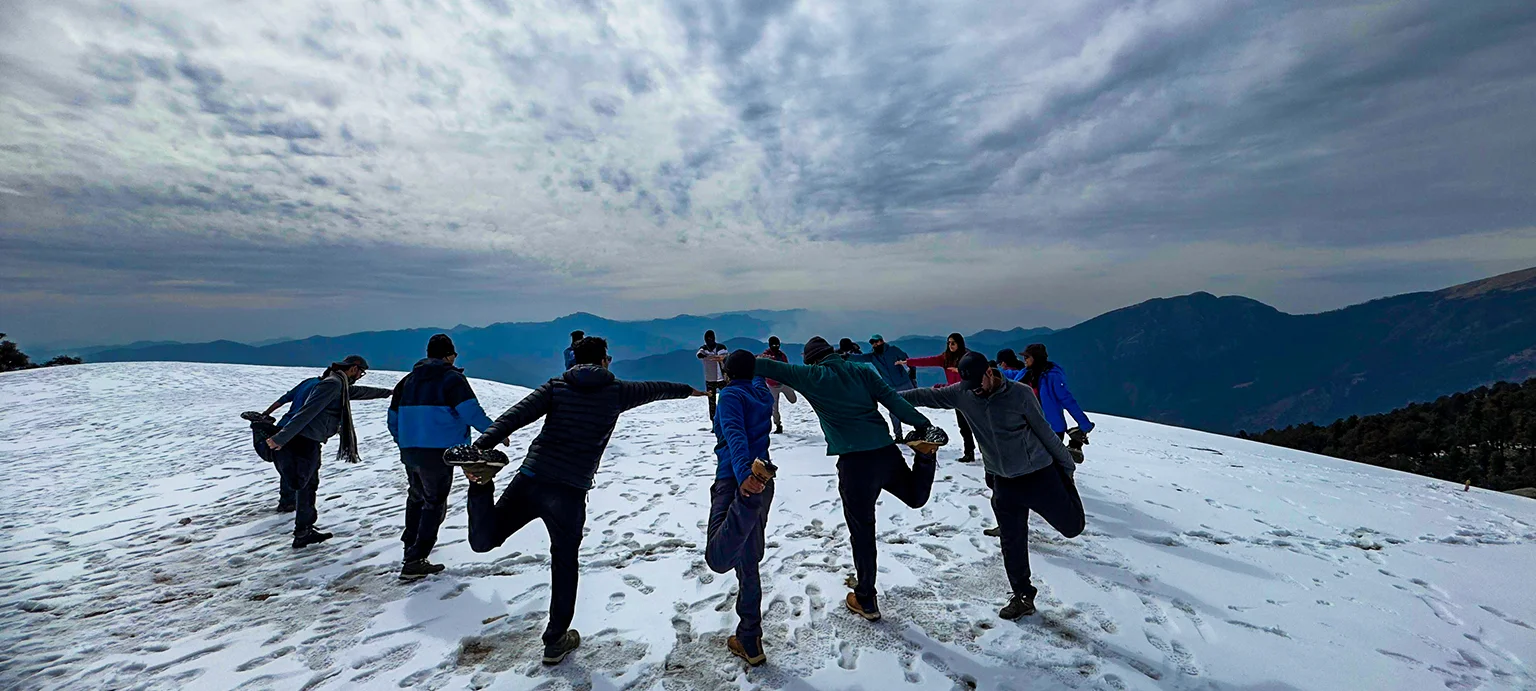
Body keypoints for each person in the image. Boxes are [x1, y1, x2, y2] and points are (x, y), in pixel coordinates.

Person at [452, 337, 703, 666]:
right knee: (565, 563)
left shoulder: (556, 386)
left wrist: (482, 447)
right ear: (604, 361)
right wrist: (690, 389)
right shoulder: (618, 391)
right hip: (569, 492)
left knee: (485, 540)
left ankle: (482, 483)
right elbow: (657, 388)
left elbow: (514, 417)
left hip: (532, 478)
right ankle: (556, 639)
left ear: (573, 360)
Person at [755, 337, 936, 622]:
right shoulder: (861, 371)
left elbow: (768, 368)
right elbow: (893, 400)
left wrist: (733, 362)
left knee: (863, 532)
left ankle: (866, 599)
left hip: (855, 464)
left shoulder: (811, 375)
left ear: (810, 359)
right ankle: (925, 457)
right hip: (885, 451)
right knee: (914, 497)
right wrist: (923, 425)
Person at [900, 352, 1084, 619]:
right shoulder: (963, 392)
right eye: (969, 385)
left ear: (989, 371)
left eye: (978, 383)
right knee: (1012, 541)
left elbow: (1044, 431)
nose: (975, 389)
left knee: (1072, 527)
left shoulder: (1020, 394)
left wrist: (1066, 469)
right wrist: (883, 397)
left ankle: (1067, 489)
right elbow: (925, 396)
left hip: (1039, 475)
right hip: (1004, 483)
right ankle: (1022, 595)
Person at [386, 334, 499, 580]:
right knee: (434, 501)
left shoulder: (407, 381)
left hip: (410, 450)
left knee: (416, 497)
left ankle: (411, 547)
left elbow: (392, 419)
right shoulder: (452, 378)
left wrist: (403, 442)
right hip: (439, 451)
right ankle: (416, 559)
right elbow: (470, 411)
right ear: (449, 355)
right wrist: (494, 431)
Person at [264, 356, 393, 548]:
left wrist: (389, 393)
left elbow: (360, 392)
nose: (360, 377)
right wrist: (280, 438)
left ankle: (301, 524)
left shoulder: (336, 384)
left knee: (304, 481)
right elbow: (307, 412)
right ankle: (303, 531)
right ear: (354, 369)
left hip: (304, 439)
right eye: (361, 373)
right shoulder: (333, 385)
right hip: (304, 440)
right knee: (307, 484)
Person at [705, 350, 777, 666]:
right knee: (749, 562)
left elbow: (734, 435)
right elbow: (757, 375)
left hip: (737, 481)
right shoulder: (760, 391)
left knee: (719, 555)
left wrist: (744, 477)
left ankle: (750, 636)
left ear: (729, 373)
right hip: (764, 482)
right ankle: (750, 638)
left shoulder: (731, 395)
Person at [898, 333, 977, 463]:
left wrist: (960, 372)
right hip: (957, 397)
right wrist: (908, 362)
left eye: (953, 343)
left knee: (977, 426)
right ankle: (969, 453)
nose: (950, 345)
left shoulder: (967, 357)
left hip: (971, 396)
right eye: (949, 343)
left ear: (959, 343)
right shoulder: (946, 358)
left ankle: (985, 452)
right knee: (964, 427)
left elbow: (977, 372)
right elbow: (928, 360)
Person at [847, 334, 914, 439]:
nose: (875, 344)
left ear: (882, 341)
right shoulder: (873, 357)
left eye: (876, 341)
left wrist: (912, 372)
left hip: (905, 383)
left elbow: (907, 359)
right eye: (872, 342)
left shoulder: (893, 350)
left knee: (912, 408)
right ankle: (899, 436)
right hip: (890, 387)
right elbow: (859, 358)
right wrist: (845, 356)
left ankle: (920, 430)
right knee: (893, 412)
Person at [1022, 343, 1094, 440]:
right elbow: (1010, 380)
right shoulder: (1026, 374)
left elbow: (1067, 400)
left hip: (1052, 429)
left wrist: (1084, 423)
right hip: (1030, 427)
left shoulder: (1052, 376)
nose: (1024, 360)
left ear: (1036, 358)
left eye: (1026, 357)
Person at [759, 336, 797, 434]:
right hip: (772, 385)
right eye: (773, 345)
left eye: (777, 345)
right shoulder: (766, 356)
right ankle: (778, 425)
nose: (775, 346)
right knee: (774, 408)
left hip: (783, 382)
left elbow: (787, 367)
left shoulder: (782, 355)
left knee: (793, 399)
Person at [698, 330, 729, 420]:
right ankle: (714, 423)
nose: (710, 340)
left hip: (721, 378)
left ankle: (725, 418)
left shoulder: (720, 347)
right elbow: (699, 354)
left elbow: (722, 354)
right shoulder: (704, 349)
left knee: (726, 399)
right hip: (710, 379)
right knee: (712, 403)